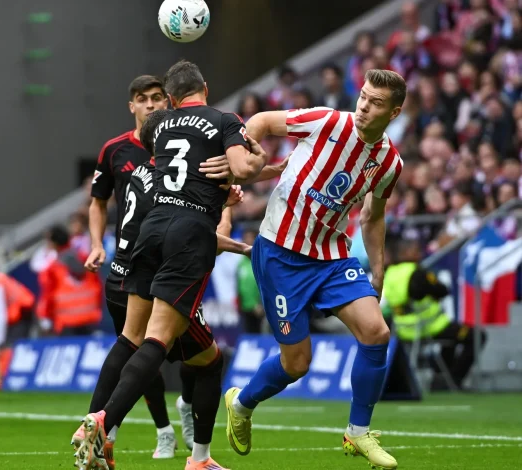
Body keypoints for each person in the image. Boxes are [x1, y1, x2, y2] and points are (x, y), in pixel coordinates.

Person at [76, 60, 267, 470]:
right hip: (188, 233)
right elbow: (246, 167)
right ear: (205, 88)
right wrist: (255, 159)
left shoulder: (156, 129)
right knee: (160, 342)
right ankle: (105, 422)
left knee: (133, 337)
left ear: (171, 99)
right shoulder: (222, 119)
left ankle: (108, 428)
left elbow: (170, 154)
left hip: (150, 232)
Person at [224, 69, 406, 470]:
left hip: (331, 256)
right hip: (279, 254)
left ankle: (358, 432)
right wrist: (246, 156)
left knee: (376, 331)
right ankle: (241, 403)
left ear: (393, 113)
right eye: (362, 96)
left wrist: (377, 270)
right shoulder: (329, 122)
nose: (363, 106)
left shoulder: (389, 162)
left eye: (376, 103)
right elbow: (263, 121)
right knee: (297, 364)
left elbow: (372, 217)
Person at [83, 74, 176, 457]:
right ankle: (161, 429)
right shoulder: (114, 150)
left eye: (157, 97)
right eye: (143, 99)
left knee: (182, 353)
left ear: (167, 103)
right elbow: (97, 201)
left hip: (172, 264)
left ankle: (182, 416)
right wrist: (95, 244)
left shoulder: (181, 147)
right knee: (142, 348)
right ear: (132, 106)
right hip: (131, 265)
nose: (151, 104)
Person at [383, 238, 485, 390]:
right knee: (477, 335)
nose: (420, 254)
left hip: (402, 329)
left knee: (452, 337)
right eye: (416, 251)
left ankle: (440, 377)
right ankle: (454, 380)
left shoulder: (389, 273)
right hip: (429, 326)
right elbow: (442, 290)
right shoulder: (416, 272)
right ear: (406, 253)